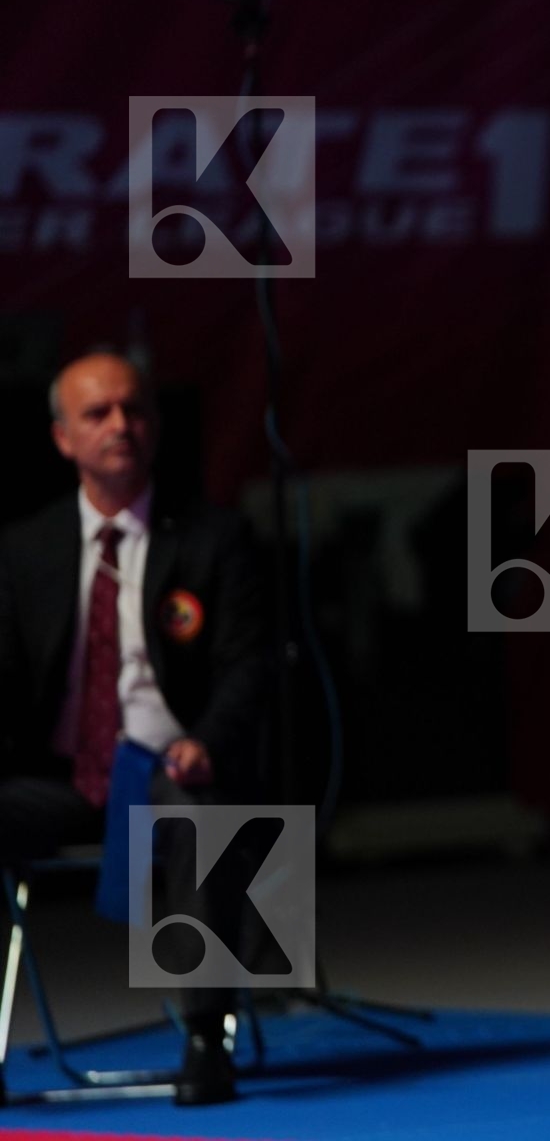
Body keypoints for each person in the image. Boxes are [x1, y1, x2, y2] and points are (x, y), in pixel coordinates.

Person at [0, 352, 273, 1106]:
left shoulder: (215, 537)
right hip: (60, 778)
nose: (120, 425)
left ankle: (205, 1036)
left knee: (197, 809)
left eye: (135, 410)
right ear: (63, 437)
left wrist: (207, 741)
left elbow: (248, 666)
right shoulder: (24, 550)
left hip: (170, 770)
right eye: (98, 413)